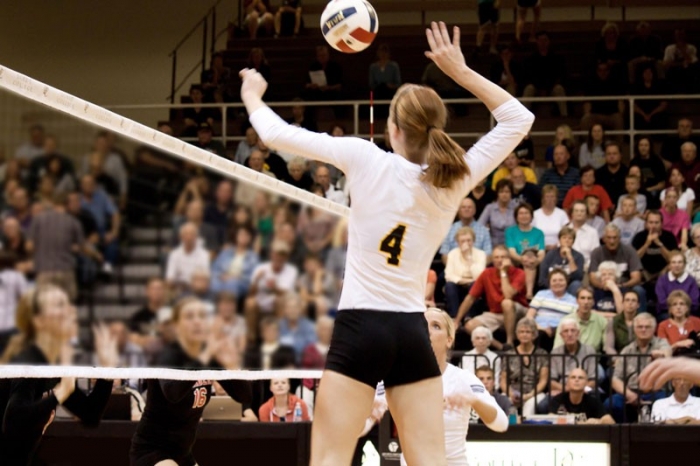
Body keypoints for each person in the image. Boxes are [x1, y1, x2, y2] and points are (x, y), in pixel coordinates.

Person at [240, 21, 533, 466]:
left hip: (360, 327)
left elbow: (275, 135)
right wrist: (460, 72)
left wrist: (252, 95)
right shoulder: (454, 178)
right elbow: (519, 119)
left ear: (393, 129)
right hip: (412, 332)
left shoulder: (365, 157)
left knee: (329, 460)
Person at [130, 297, 255, 466]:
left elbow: (244, 396)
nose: (197, 321)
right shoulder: (168, 355)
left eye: (202, 316)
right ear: (176, 325)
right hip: (152, 449)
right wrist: (204, 357)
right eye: (189, 316)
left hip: (182, 453)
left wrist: (231, 366)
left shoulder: (210, 358)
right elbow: (173, 393)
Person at [0, 285, 116, 465]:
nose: (70, 310)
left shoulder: (50, 359)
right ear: (39, 321)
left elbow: (90, 414)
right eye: (59, 305)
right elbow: (14, 420)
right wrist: (59, 395)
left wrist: (107, 372)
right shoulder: (27, 358)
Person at [399, 309, 507, 466]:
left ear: (449, 340)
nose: (428, 330)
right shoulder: (398, 378)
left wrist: (474, 401)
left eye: (436, 326)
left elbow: (501, 424)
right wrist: (373, 411)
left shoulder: (463, 379)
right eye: (423, 325)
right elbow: (363, 424)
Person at [456, 245, 529, 350]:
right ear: (492, 260)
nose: (499, 260)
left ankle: (509, 342)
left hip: (518, 312)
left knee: (506, 303)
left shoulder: (519, 273)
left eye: (503, 257)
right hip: (496, 313)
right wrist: (457, 320)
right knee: (469, 325)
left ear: (509, 259)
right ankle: (501, 347)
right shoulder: (487, 273)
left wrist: (503, 272)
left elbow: (508, 295)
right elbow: (470, 298)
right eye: (496, 257)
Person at [606, 312, 671, 422]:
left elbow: (667, 353)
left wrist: (662, 355)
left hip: (657, 391)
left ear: (654, 329)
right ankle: (624, 430)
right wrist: (629, 394)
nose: (643, 330)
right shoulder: (627, 350)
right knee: (610, 403)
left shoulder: (661, 343)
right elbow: (616, 379)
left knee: (666, 402)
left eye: (647, 327)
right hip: (631, 391)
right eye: (640, 327)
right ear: (634, 329)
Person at [501, 318, 549, 417]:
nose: (524, 334)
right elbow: (503, 381)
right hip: (512, 392)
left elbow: (543, 381)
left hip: (534, 393)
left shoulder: (542, 354)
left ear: (534, 335)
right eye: (521, 332)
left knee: (529, 407)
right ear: (517, 334)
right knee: (506, 404)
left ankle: (526, 427)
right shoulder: (509, 354)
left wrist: (529, 395)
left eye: (528, 332)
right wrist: (511, 394)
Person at [527, 269, 578, 351]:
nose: (557, 283)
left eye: (561, 280)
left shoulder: (573, 301)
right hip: (539, 329)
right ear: (549, 283)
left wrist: (557, 330)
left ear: (566, 282)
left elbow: (574, 321)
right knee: (539, 334)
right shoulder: (541, 294)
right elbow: (529, 316)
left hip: (560, 332)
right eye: (554, 280)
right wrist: (541, 328)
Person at [444, 227, 487, 317]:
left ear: (473, 241)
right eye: (462, 241)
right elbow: (448, 275)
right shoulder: (452, 254)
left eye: (469, 240)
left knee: (474, 285)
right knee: (449, 286)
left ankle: (469, 317)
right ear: (458, 242)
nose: (466, 243)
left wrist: (468, 257)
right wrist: (463, 280)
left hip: (473, 284)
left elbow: (479, 276)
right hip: (458, 284)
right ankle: (454, 317)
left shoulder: (481, 254)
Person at [505, 202, 544, 299]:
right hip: (516, 260)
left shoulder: (539, 233)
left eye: (526, 213)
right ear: (516, 217)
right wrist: (523, 259)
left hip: (533, 262)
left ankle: (529, 293)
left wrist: (537, 261)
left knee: (530, 258)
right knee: (528, 258)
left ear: (531, 216)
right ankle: (528, 294)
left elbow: (541, 252)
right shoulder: (510, 231)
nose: (524, 216)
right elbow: (512, 252)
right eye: (521, 213)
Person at [548, 368, 614, 424]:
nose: (576, 380)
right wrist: (575, 422)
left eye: (580, 378)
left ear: (586, 383)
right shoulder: (558, 400)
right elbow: (550, 419)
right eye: (573, 377)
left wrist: (599, 421)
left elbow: (610, 421)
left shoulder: (593, 402)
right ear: (567, 382)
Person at [553, 286, 608, 352]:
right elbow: (557, 348)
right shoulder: (565, 321)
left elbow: (607, 347)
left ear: (593, 302)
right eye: (582, 298)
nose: (586, 302)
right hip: (570, 357)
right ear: (577, 301)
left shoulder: (602, 321)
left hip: (593, 357)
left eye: (589, 298)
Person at [440, 197, 492, 263]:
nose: (466, 209)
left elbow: (488, 255)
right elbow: (444, 254)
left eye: (469, 207)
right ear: (459, 211)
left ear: (474, 210)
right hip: (455, 266)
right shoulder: (449, 229)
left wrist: (476, 267)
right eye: (463, 207)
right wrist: (454, 266)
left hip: (478, 266)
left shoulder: (484, 230)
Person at [539, 227, 585, 294]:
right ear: (559, 240)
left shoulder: (578, 256)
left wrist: (570, 257)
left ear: (573, 241)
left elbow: (578, 277)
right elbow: (542, 278)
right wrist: (556, 287)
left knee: (576, 284)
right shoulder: (550, 254)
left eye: (570, 238)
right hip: (551, 287)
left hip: (569, 289)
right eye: (564, 237)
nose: (567, 240)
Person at [656, 253, 700, 319]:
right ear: (669, 265)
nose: (677, 265)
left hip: (687, 313)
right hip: (667, 313)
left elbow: (694, 302)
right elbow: (661, 302)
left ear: (684, 265)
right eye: (673, 262)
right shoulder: (662, 280)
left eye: (680, 262)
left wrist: (681, 310)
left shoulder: (691, 281)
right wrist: (676, 310)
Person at [462, 326, 501, 390]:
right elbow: (464, 377)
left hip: (489, 391)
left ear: (489, 341)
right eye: (477, 338)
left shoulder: (495, 357)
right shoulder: (466, 356)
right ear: (473, 342)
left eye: (484, 338)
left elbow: (496, 380)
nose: (480, 341)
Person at [478, 179, 515, 247]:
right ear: (497, 193)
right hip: (493, 245)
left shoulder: (516, 208)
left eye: (507, 192)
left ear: (511, 193)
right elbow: (480, 225)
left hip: (513, 245)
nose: (504, 194)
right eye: (501, 192)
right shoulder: (490, 208)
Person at [533, 185, 569, 250]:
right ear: (543, 198)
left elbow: (566, 234)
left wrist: (557, 245)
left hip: (558, 249)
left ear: (556, 198)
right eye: (547, 196)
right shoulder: (535, 214)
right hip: (538, 249)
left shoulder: (562, 214)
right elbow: (531, 234)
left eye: (552, 196)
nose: (550, 199)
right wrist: (542, 246)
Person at [604, 290, 640, 356]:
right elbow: (609, 347)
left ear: (638, 305)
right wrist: (617, 359)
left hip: (639, 358)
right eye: (627, 300)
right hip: (618, 357)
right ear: (623, 303)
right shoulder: (613, 321)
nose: (630, 303)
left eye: (633, 300)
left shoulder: (643, 321)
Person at [567, 200, 600, 271]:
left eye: (582, 211)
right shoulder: (565, 230)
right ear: (572, 213)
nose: (579, 213)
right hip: (567, 267)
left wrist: (587, 267)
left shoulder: (592, 232)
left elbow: (595, 255)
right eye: (576, 211)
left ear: (586, 214)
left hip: (586, 268)